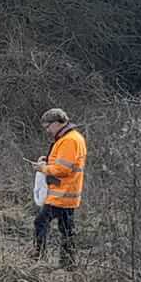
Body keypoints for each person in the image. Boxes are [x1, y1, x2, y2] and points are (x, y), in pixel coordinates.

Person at [33, 106, 87, 268]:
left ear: (57, 123)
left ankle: (39, 256)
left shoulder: (69, 140)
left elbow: (63, 169)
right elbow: (62, 163)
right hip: (67, 194)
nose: (47, 130)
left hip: (62, 195)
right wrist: (47, 161)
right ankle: (68, 264)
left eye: (48, 126)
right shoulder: (71, 138)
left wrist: (42, 168)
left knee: (41, 222)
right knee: (67, 230)